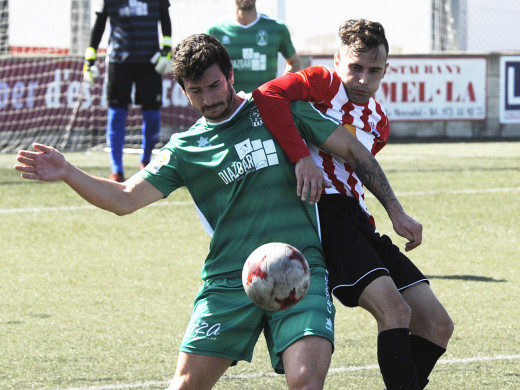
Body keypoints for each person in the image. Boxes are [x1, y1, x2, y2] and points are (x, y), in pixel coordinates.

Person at [15, 33, 421, 390]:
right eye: (197, 91)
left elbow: (353, 150)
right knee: (186, 385)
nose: (209, 99)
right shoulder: (185, 149)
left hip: (302, 269)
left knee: (306, 381)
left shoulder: (280, 111)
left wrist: (395, 210)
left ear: (230, 75)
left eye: (214, 85)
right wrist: (68, 172)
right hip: (229, 279)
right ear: (184, 91)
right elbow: (125, 198)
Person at [253, 19, 454, 390]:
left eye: (374, 70)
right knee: (395, 311)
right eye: (355, 68)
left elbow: (359, 168)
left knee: (437, 324)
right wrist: (301, 157)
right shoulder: (322, 84)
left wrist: (395, 213)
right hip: (323, 215)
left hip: (358, 219)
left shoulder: (379, 122)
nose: (363, 80)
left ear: (385, 70)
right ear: (337, 61)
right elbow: (267, 95)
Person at [83, 0, 173, 182]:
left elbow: (165, 20)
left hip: (150, 62)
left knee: (153, 116)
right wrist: (89, 59)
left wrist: (167, 52)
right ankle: (117, 170)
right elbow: (99, 25)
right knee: (116, 114)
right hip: (118, 62)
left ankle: (146, 163)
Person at [206, 0, 301, 93]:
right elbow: (206, 69)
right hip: (231, 106)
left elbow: (294, 62)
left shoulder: (276, 28)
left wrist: (282, 88)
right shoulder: (216, 31)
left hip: (266, 103)